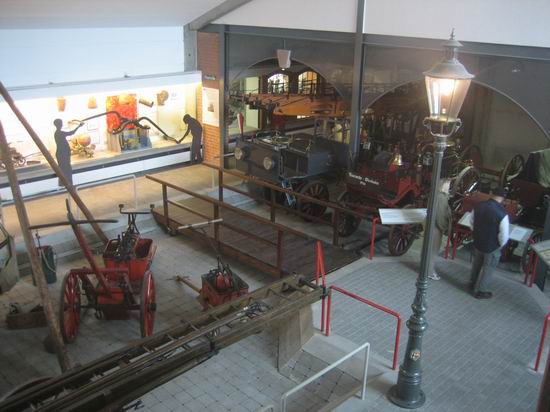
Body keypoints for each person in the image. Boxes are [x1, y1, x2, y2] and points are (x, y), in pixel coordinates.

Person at [469, 187, 510, 299]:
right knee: (488, 268)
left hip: (478, 242)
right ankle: (481, 291)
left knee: (476, 265)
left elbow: (471, 221)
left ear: (492, 193)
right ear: (503, 198)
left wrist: (476, 234)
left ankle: (471, 284)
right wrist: (500, 245)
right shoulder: (502, 213)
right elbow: (504, 234)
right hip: (492, 246)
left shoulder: (479, 205)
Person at [428, 178, 452, 280]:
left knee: (429, 248)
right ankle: (429, 271)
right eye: (448, 184)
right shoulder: (441, 197)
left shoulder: (436, 195)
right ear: (443, 185)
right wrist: (444, 227)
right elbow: (440, 215)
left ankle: (426, 268)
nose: (449, 186)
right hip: (436, 227)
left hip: (432, 225)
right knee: (433, 250)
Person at [53, 119, 83, 186]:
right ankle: (67, 184)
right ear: (59, 124)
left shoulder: (57, 133)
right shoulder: (59, 133)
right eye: (61, 123)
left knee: (64, 168)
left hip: (62, 152)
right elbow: (71, 133)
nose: (62, 124)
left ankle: (66, 183)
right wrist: (78, 126)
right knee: (66, 169)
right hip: (63, 153)